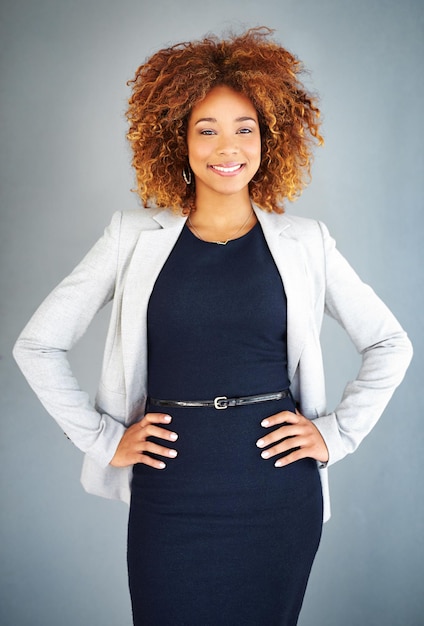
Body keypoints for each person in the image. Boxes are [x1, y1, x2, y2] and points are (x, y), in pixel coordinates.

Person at [13, 27, 412, 626]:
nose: (228, 145)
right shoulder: (131, 237)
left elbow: (390, 342)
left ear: (268, 137)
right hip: (170, 494)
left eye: (244, 127)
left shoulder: (307, 243)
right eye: (208, 129)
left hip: (278, 496)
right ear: (178, 138)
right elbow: (36, 344)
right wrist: (102, 439)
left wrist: (336, 434)